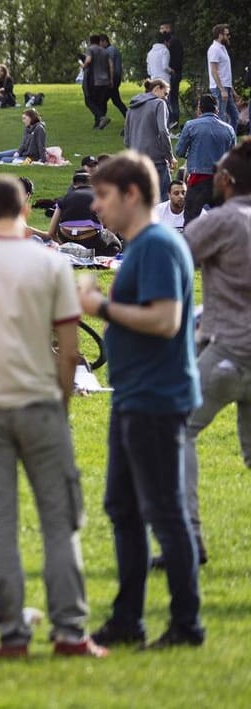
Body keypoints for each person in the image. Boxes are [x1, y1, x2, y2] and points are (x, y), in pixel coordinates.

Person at [74, 152, 205, 649]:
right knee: (123, 508)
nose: (97, 207)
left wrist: (101, 306)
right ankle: (129, 619)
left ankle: (187, 624)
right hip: (133, 394)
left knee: (164, 512)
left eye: (103, 196)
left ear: (131, 194)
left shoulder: (156, 245)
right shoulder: (143, 246)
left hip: (157, 397)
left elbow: (167, 319)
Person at [181, 139, 251, 562]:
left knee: (178, 429)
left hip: (229, 348)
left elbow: (172, 258)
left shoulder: (222, 221)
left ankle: (188, 539)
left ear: (226, 180)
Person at [178, 94, 237, 217]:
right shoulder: (229, 129)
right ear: (217, 109)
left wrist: (192, 154)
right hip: (219, 180)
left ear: (200, 109)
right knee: (222, 218)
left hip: (197, 177)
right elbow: (233, 158)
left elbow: (179, 151)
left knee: (191, 218)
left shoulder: (190, 126)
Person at [123, 78, 175, 196]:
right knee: (164, 199)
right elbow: (163, 131)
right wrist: (169, 156)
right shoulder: (159, 103)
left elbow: (126, 138)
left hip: (136, 160)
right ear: (157, 89)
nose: (166, 98)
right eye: (165, 93)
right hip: (156, 159)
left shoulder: (132, 107)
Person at [82, 33, 124, 129]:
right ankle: (98, 123)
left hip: (95, 81)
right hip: (105, 81)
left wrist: (83, 66)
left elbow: (88, 61)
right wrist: (111, 79)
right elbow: (111, 65)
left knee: (89, 101)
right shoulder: (105, 52)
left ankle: (101, 117)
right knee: (102, 102)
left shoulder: (91, 49)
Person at [207, 23, 236, 133]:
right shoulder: (214, 49)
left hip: (226, 87)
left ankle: (229, 139)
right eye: (226, 34)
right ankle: (219, 139)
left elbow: (225, 72)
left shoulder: (222, 48)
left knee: (234, 116)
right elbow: (214, 71)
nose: (229, 36)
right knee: (220, 117)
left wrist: (231, 89)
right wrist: (222, 89)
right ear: (220, 35)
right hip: (219, 88)